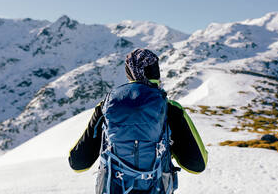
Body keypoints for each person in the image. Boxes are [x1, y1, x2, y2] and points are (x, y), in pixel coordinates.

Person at [69, 48, 208, 194]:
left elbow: (78, 163)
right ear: (156, 72)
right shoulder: (170, 109)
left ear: (130, 72)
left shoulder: (106, 107)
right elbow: (197, 165)